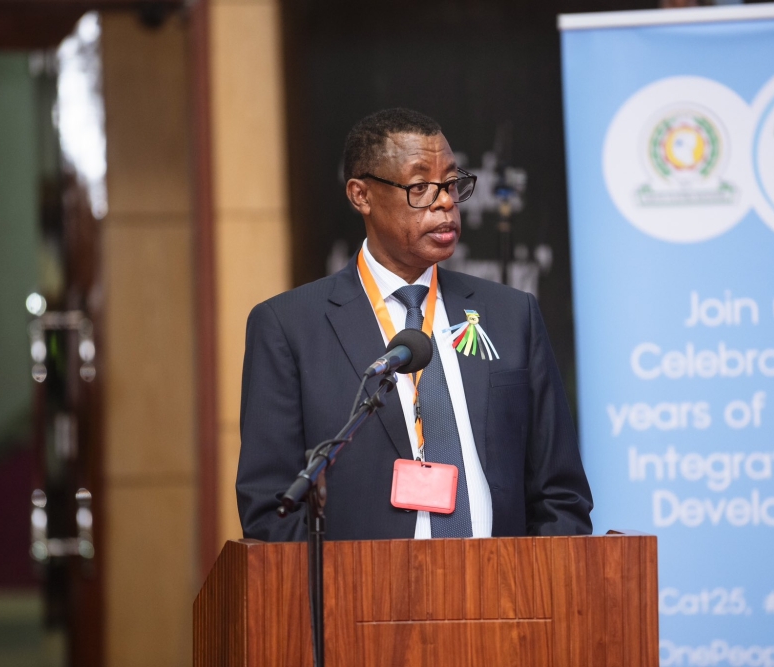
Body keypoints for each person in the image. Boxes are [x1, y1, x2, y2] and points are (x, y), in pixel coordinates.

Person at [236, 108, 592, 541]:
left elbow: (560, 494)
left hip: (505, 595)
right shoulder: (289, 328)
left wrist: (539, 591)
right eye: (420, 187)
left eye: (450, 183)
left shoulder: (512, 315)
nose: (444, 201)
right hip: (364, 602)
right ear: (361, 195)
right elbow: (272, 505)